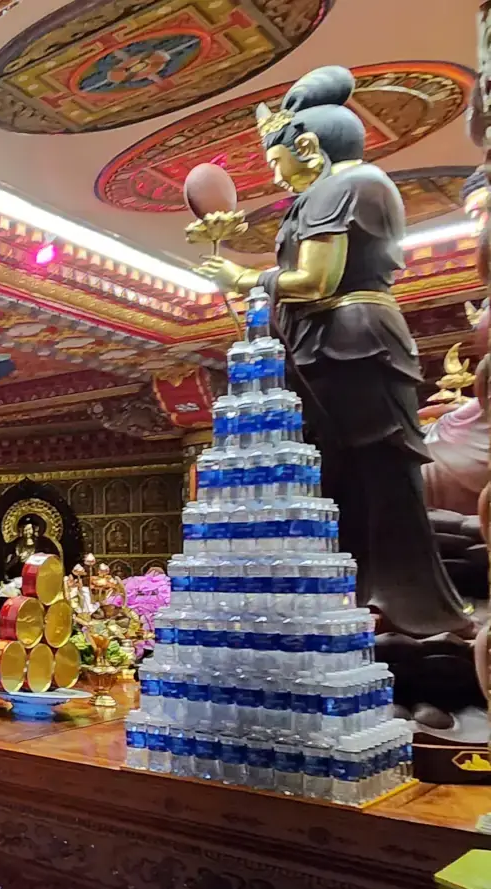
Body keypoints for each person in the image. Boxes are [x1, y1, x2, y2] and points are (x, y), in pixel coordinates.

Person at [197, 64, 472, 638]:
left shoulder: (350, 184)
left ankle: (404, 605)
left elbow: (318, 281)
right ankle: (343, 594)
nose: (277, 178)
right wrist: (242, 288)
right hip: (321, 342)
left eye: (278, 164)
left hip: (355, 339)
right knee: (328, 480)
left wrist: (250, 278)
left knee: (376, 474)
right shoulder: (321, 193)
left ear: (307, 145)